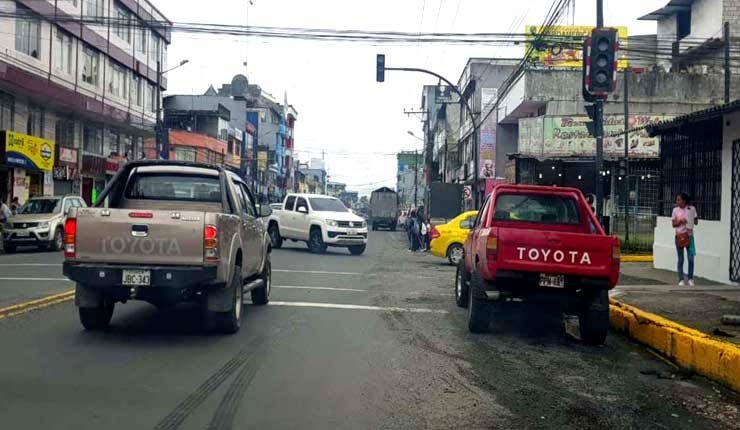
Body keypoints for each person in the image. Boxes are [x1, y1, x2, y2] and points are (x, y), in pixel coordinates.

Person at [672, 192, 698, 286]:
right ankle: (681, 279)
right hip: (679, 236)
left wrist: (690, 218)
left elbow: (696, 222)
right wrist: (680, 221)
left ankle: (690, 278)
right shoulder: (675, 210)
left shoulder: (691, 209)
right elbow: (673, 224)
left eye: (679, 199)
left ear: (684, 201)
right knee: (681, 259)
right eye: (677, 200)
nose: (677, 201)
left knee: (691, 258)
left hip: (689, 236)